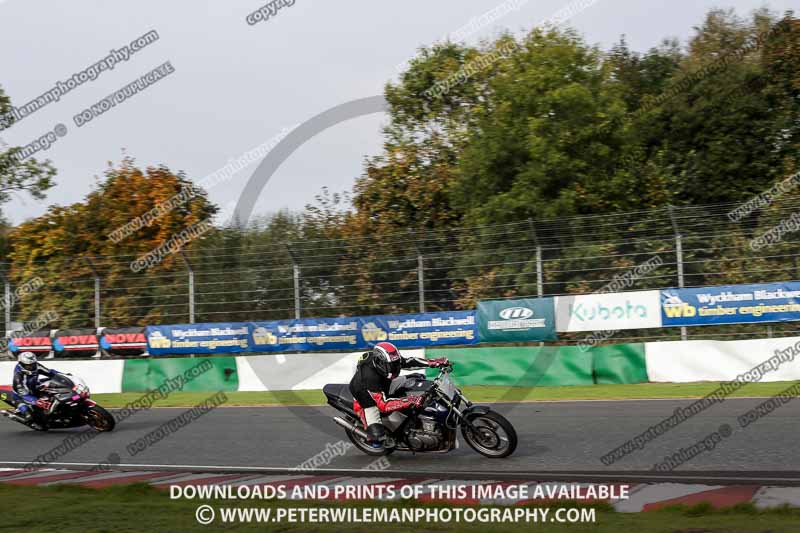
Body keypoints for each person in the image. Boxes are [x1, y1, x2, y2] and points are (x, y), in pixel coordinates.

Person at [349, 341, 449, 446]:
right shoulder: (369, 378)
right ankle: (372, 435)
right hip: (365, 395)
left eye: (394, 364)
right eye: (389, 366)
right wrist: (410, 400)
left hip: (383, 383)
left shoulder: (388, 360)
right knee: (377, 437)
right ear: (379, 362)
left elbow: (408, 362)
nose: (393, 368)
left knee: (415, 378)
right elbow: (383, 405)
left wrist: (434, 363)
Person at [3, 352, 59, 423]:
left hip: (34, 388)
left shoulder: (36, 366)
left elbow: (49, 372)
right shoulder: (18, 377)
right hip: (21, 395)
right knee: (29, 416)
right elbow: (23, 394)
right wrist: (37, 401)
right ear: (22, 364)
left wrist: (62, 375)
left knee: (50, 386)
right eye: (28, 365)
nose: (31, 367)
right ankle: (19, 414)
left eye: (32, 364)